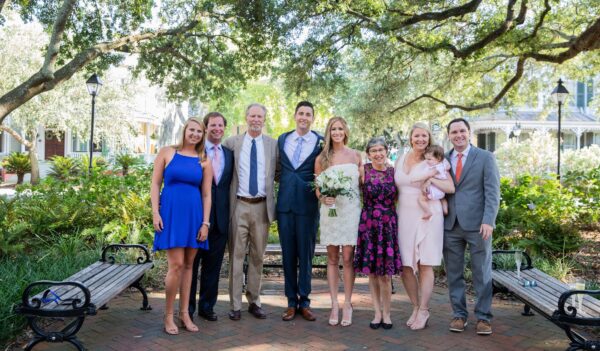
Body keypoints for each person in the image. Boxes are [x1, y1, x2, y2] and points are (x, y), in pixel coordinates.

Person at [151, 117, 213, 335]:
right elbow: (155, 183)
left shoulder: (204, 159)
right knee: (175, 265)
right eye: (192, 130)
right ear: (185, 131)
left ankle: (184, 313)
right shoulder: (167, 152)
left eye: (199, 131)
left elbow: (207, 194)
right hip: (171, 215)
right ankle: (168, 315)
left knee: (189, 266)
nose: (195, 134)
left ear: (202, 135)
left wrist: (205, 223)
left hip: (194, 216)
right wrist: (155, 212)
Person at [394, 123, 454, 331]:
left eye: (425, 136)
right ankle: (415, 306)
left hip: (429, 214)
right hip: (404, 216)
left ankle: (425, 309)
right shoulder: (400, 158)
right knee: (405, 266)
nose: (421, 140)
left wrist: (430, 178)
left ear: (429, 139)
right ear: (410, 138)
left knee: (425, 263)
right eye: (417, 136)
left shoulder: (435, 159)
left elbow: (449, 187)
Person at [443, 118, 500, 335]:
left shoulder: (485, 157)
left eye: (462, 131)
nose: (458, 135)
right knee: (454, 273)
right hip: (450, 225)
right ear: (449, 135)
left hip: (478, 225)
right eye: (454, 132)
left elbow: (493, 192)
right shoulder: (444, 159)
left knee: (482, 272)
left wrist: (489, 220)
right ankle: (459, 315)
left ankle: (483, 317)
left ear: (469, 133)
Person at [223, 103, 279, 321]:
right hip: (239, 206)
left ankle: (254, 301)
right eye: (252, 115)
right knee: (236, 256)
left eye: (260, 116)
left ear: (264, 120)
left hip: (262, 207)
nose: (256, 119)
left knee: (257, 257)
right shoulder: (232, 143)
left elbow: (279, 172)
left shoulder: (273, 145)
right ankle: (235, 304)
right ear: (246, 117)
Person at [277, 101, 323, 322]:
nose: (304, 117)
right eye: (301, 113)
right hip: (285, 206)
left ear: (313, 118)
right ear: (295, 116)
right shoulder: (283, 139)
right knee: (288, 256)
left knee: (306, 255)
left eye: (308, 114)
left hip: (308, 206)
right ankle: (290, 302)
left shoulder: (321, 142)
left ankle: (304, 301)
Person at [315, 116, 362, 327]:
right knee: (332, 258)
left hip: (351, 212)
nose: (337, 132)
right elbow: (317, 188)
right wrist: (323, 197)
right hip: (331, 212)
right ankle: (334, 304)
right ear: (328, 132)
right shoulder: (322, 158)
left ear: (345, 131)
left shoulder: (356, 155)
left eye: (340, 128)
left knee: (348, 258)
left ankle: (348, 304)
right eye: (333, 129)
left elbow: (363, 184)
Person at [188, 112, 234, 322]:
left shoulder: (229, 153)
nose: (217, 128)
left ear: (224, 128)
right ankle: (187, 309)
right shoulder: (194, 152)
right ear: (206, 128)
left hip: (221, 219)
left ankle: (207, 307)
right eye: (213, 125)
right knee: (191, 265)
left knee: (213, 268)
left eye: (220, 125)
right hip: (196, 217)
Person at [353, 137, 402, 330]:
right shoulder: (362, 171)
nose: (378, 153)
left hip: (388, 226)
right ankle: (377, 313)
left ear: (386, 151)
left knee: (385, 275)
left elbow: (400, 197)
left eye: (381, 149)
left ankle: (387, 314)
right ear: (368, 153)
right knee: (372, 273)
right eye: (374, 150)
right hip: (369, 225)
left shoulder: (393, 172)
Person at [414, 145, 450, 219]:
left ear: (439, 158)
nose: (426, 161)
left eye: (429, 159)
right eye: (426, 159)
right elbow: (448, 166)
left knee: (421, 199)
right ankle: (445, 209)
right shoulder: (442, 165)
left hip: (435, 190)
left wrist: (415, 179)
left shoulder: (435, 169)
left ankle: (428, 212)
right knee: (442, 198)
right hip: (441, 191)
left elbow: (426, 176)